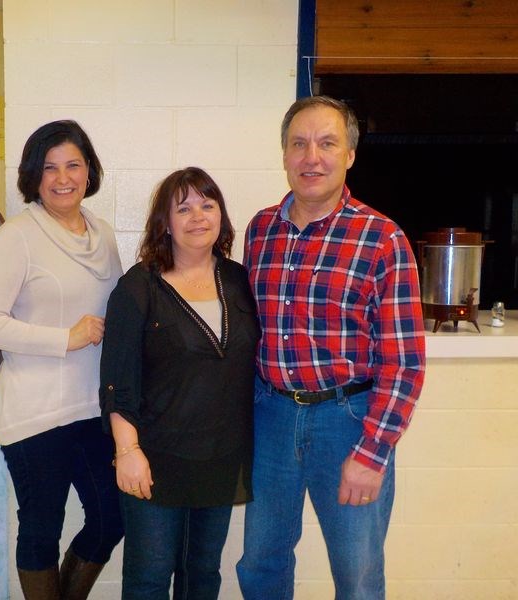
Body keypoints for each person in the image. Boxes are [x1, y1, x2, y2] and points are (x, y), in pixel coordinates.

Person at [236, 95, 426, 599]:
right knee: (260, 562)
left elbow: (404, 362)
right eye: (298, 144)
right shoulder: (260, 231)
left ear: (350, 155)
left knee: (357, 573)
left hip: (348, 420)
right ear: (284, 154)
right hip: (271, 416)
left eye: (326, 143)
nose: (311, 157)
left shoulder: (382, 238)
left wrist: (373, 451)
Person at [0, 120, 124, 599]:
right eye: (49, 167)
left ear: (89, 170)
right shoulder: (15, 237)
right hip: (35, 413)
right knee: (41, 529)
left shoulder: (103, 233)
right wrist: (66, 338)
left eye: (73, 164)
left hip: (90, 409)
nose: (62, 177)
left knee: (110, 518)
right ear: (34, 176)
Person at [100, 167, 260, 599]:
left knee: (203, 574)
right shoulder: (138, 287)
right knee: (149, 576)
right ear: (164, 223)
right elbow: (117, 380)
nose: (198, 217)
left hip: (221, 458)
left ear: (222, 217)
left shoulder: (240, 281)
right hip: (155, 459)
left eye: (208, 205)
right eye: (183, 208)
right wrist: (127, 450)